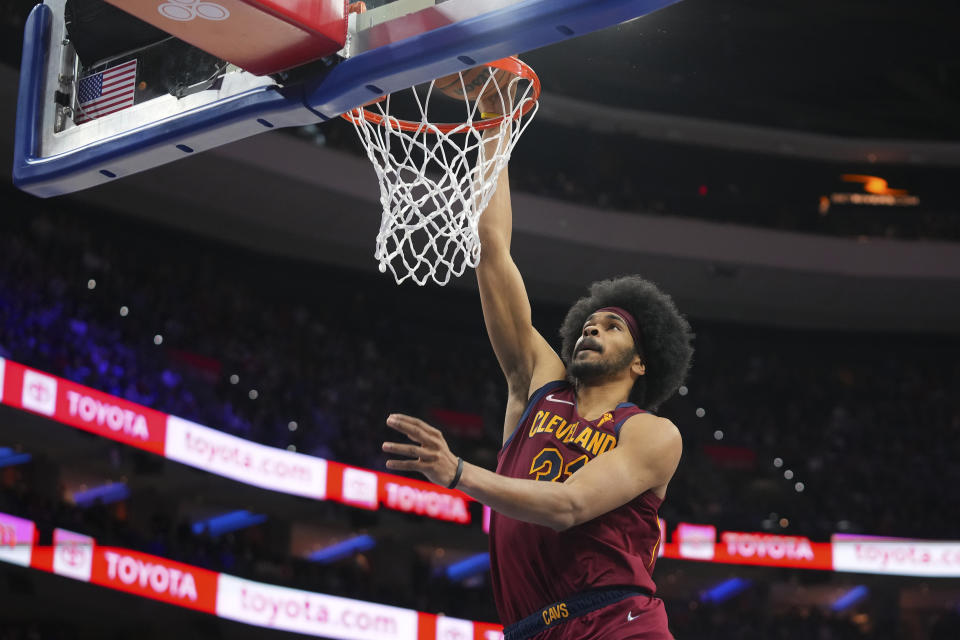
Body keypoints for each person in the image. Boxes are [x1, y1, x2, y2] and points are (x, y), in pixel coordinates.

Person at [382, 96, 694, 640]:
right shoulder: (537, 386)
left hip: (616, 621)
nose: (593, 329)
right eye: (589, 323)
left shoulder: (651, 433)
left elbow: (569, 505)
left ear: (643, 362)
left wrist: (458, 473)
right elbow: (493, 248)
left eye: (613, 327)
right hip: (529, 630)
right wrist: (492, 127)